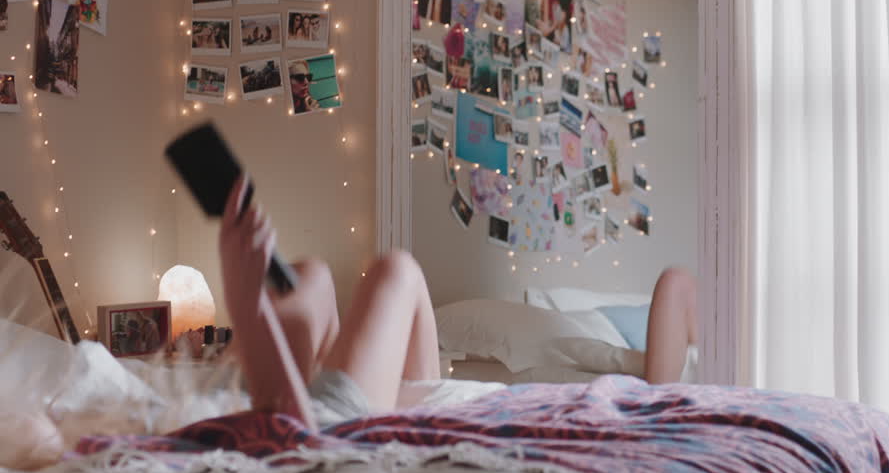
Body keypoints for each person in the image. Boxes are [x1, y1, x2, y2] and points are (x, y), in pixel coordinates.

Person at [219, 174, 700, 432]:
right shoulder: (689, 304)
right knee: (364, 271)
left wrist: (247, 305)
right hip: (348, 411)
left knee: (339, 272)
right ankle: (257, 379)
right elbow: (291, 440)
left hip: (314, 409)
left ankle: (260, 384)